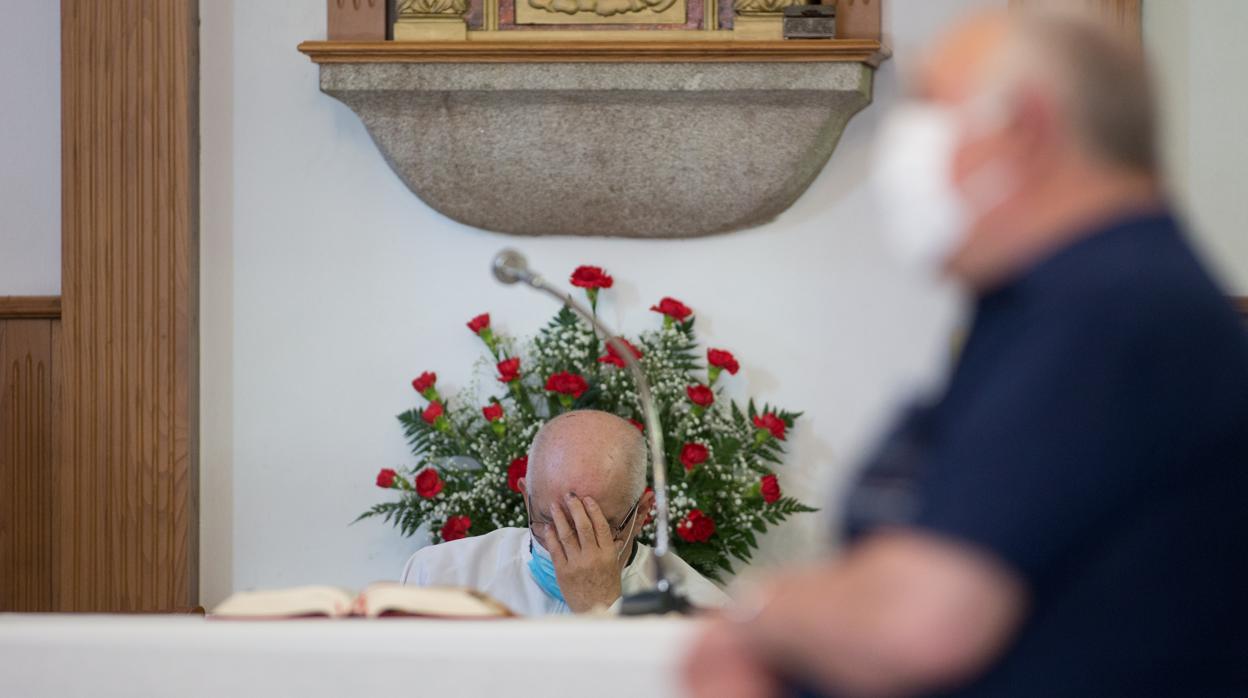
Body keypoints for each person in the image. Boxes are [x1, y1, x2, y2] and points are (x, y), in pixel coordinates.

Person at [684, 10, 1248, 698]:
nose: (904, 149)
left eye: (930, 108)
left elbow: (922, 621)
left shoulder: (1111, 310)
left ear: (1026, 127)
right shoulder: (1048, 304)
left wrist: (761, 612)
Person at [400, 409, 727, 615]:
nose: (569, 542)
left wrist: (602, 610)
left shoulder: (700, 613)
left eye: (600, 526)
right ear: (525, 498)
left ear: (641, 513)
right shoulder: (437, 574)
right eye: (549, 520)